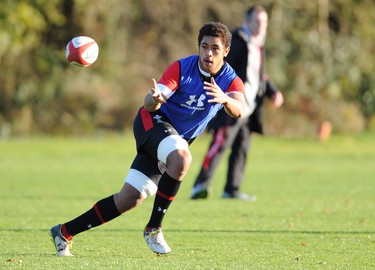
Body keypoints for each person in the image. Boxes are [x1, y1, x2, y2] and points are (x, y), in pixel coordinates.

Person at [50, 22, 246, 256]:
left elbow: (239, 109)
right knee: (181, 158)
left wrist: (225, 99)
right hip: (152, 123)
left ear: (226, 51)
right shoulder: (182, 68)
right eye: (204, 47)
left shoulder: (231, 80)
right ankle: (154, 228)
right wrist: (154, 98)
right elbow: (151, 100)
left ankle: (63, 232)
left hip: (173, 141)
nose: (208, 53)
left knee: (129, 199)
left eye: (215, 48)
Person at [191, 5, 284, 201]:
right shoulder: (237, 42)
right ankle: (200, 185)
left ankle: (232, 189)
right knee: (219, 144)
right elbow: (219, 68)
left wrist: (272, 92)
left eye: (265, 22)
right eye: (258, 21)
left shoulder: (258, 45)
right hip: (230, 104)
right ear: (247, 21)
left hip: (249, 108)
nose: (262, 26)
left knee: (242, 149)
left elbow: (260, 77)